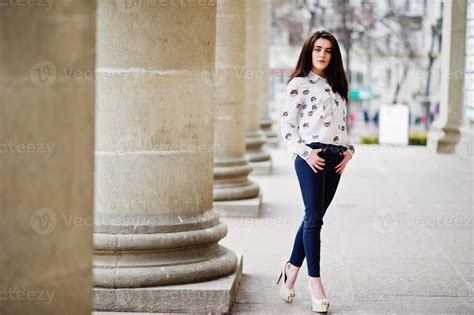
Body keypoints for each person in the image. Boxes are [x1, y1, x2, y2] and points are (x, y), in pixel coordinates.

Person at [276, 30, 355, 313]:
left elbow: (342, 130)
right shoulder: (299, 84)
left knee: (314, 216)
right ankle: (315, 283)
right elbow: (287, 128)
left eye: (328, 50)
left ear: (334, 56)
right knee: (314, 220)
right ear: (309, 51)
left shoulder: (337, 87)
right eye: (317, 49)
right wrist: (306, 153)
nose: (322, 54)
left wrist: (349, 152)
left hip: (335, 160)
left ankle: (290, 270)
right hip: (311, 157)